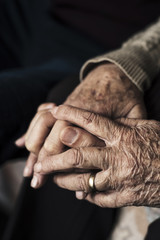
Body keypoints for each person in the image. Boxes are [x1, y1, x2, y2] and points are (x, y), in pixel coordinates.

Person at [0, 0, 160, 239]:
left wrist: (122, 67)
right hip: (43, 17)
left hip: (99, 41)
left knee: (74, 125)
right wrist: (121, 67)